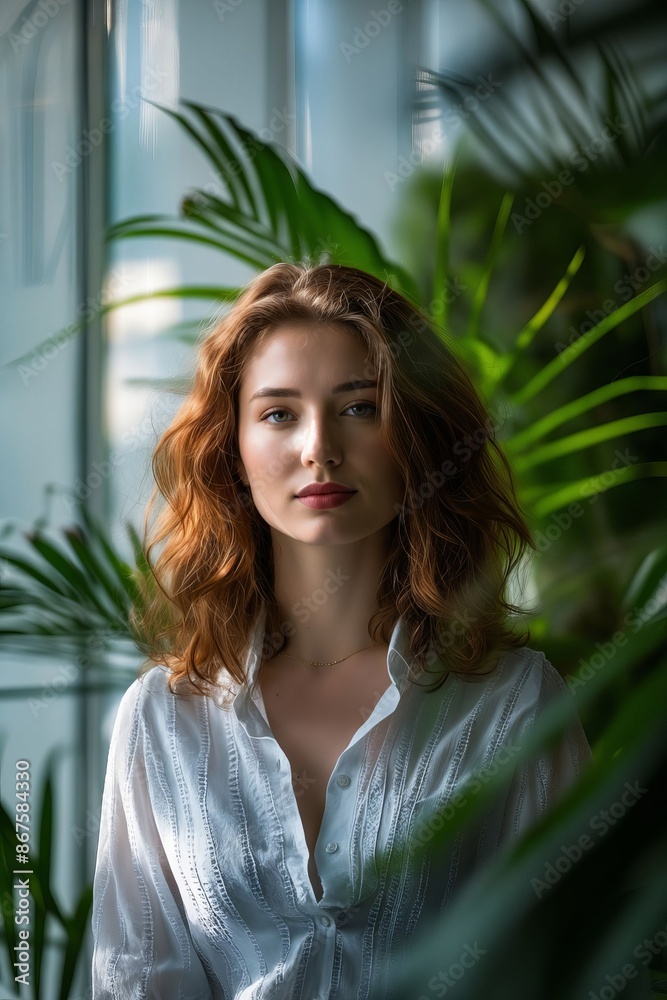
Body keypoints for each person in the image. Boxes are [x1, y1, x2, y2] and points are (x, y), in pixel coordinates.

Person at [90, 262, 592, 999]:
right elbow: (136, 982)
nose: (317, 446)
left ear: (416, 437)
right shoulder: (160, 721)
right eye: (278, 413)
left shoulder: (514, 704)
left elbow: (569, 966)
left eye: (358, 408)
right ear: (231, 447)